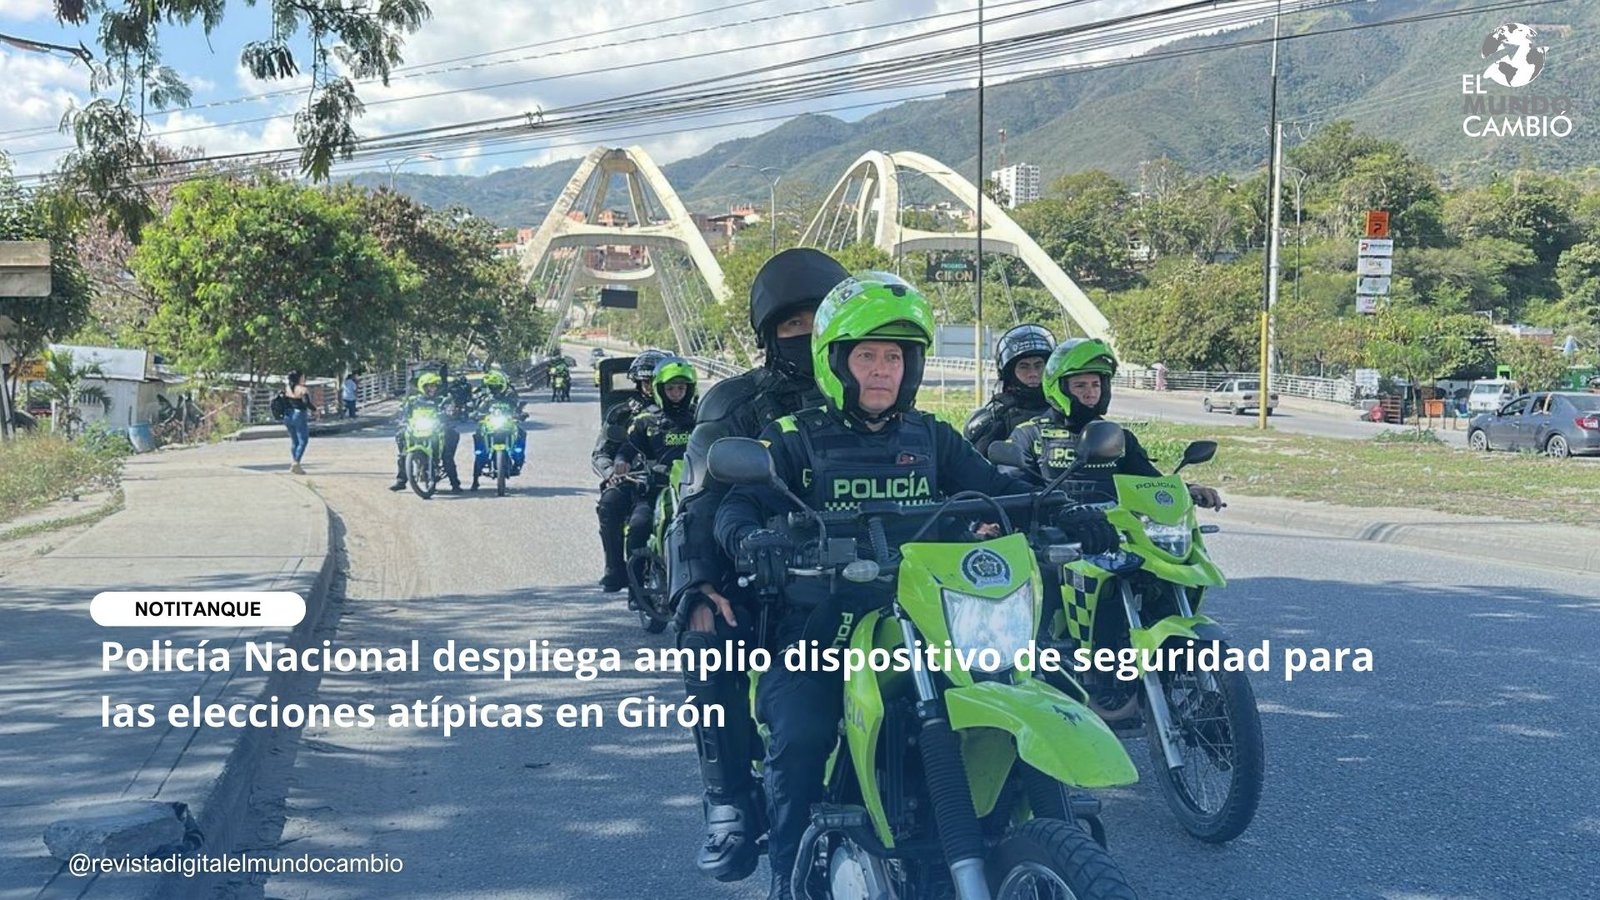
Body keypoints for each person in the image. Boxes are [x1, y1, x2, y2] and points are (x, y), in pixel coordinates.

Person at [713, 273, 1120, 900]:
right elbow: (736, 505)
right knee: (801, 732)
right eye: (867, 356)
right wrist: (752, 539)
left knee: (1040, 679)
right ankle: (789, 878)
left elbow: (1001, 489)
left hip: (936, 616)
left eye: (894, 357)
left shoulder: (931, 437)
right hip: (826, 625)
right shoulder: (795, 438)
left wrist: (1064, 510)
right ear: (835, 363)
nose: (882, 371)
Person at [667, 247, 847, 883]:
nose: (808, 333)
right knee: (706, 637)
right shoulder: (737, 404)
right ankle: (729, 801)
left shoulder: (874, 389)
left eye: (819, 319)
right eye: (793, 323)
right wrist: (697, 582)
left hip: (870, 575)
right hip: (767, 581)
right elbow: (699, 501)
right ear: (770, 336)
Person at [1005, 338, 1223, 509]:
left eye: (1096, 385)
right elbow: (1012, 488)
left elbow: (1149, 481)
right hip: (1053, 539)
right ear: (1059, 388)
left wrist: (1188, 489)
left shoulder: (1118, 436)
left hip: (1113, 534)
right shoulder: (1029, 435)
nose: (1090, 393)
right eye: (1080, 386)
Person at [615, 357, 699, 602]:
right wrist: (621, 461)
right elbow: (627, 448)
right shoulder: (644, 421)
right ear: (660, 390)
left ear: (689, 389)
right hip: (657, 489)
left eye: (681, 388)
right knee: (638, 526)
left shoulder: (702, 419)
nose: (676, 393)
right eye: (671, 388)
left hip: (697, 489)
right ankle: (636, 590)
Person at [593, 348, 669, 591]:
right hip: (633, 481)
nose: (650, 387)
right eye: (646, 382)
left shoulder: (688, 413)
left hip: (676, 479)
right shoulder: (622, 414)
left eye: (655, 382)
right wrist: (612, 473)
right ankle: (615, 570)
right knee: (609, 503)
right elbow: (601, 453)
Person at [963, 323, 1056, 458]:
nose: (1033, 373)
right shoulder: (995, 417)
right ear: (1010, 372)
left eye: (1038, 365)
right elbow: (973, 463)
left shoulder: (1064, 410)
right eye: (1024, 367)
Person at [389, 372, 461, 493]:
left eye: (434, 386)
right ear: (423, 387)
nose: (432, 389)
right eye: (429, 386)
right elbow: (403, 413)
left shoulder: (442, 400)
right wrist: (400, 420)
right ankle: (401, 481)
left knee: (448, 449)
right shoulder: (413, 401)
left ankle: (455, 483)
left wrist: (450, 414)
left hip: (436, 429)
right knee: (402, 442)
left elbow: (450, 411)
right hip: (418, 429)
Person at [470, 370, 528, 490]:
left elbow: (517, 408)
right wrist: (475, 414)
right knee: (478, 437)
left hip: (507, 424)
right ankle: (475, 478)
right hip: (490, 426)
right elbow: (478, 409)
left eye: (497, 387)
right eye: (492, 387)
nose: (495, 389)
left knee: (521, 433)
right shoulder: (486, 399)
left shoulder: (510, 397)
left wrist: (520, 414)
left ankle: (518, 460)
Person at [281, 370, 315, 475]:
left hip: (288, 414)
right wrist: (315, 410)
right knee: (303, 440)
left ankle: (295, 463)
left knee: (294, 441)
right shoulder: (302, 389)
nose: (304, 379)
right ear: (299, 378)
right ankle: (296, 463)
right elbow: (306, 402)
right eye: (303, 377)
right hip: (299, 414)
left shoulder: (287, 388)